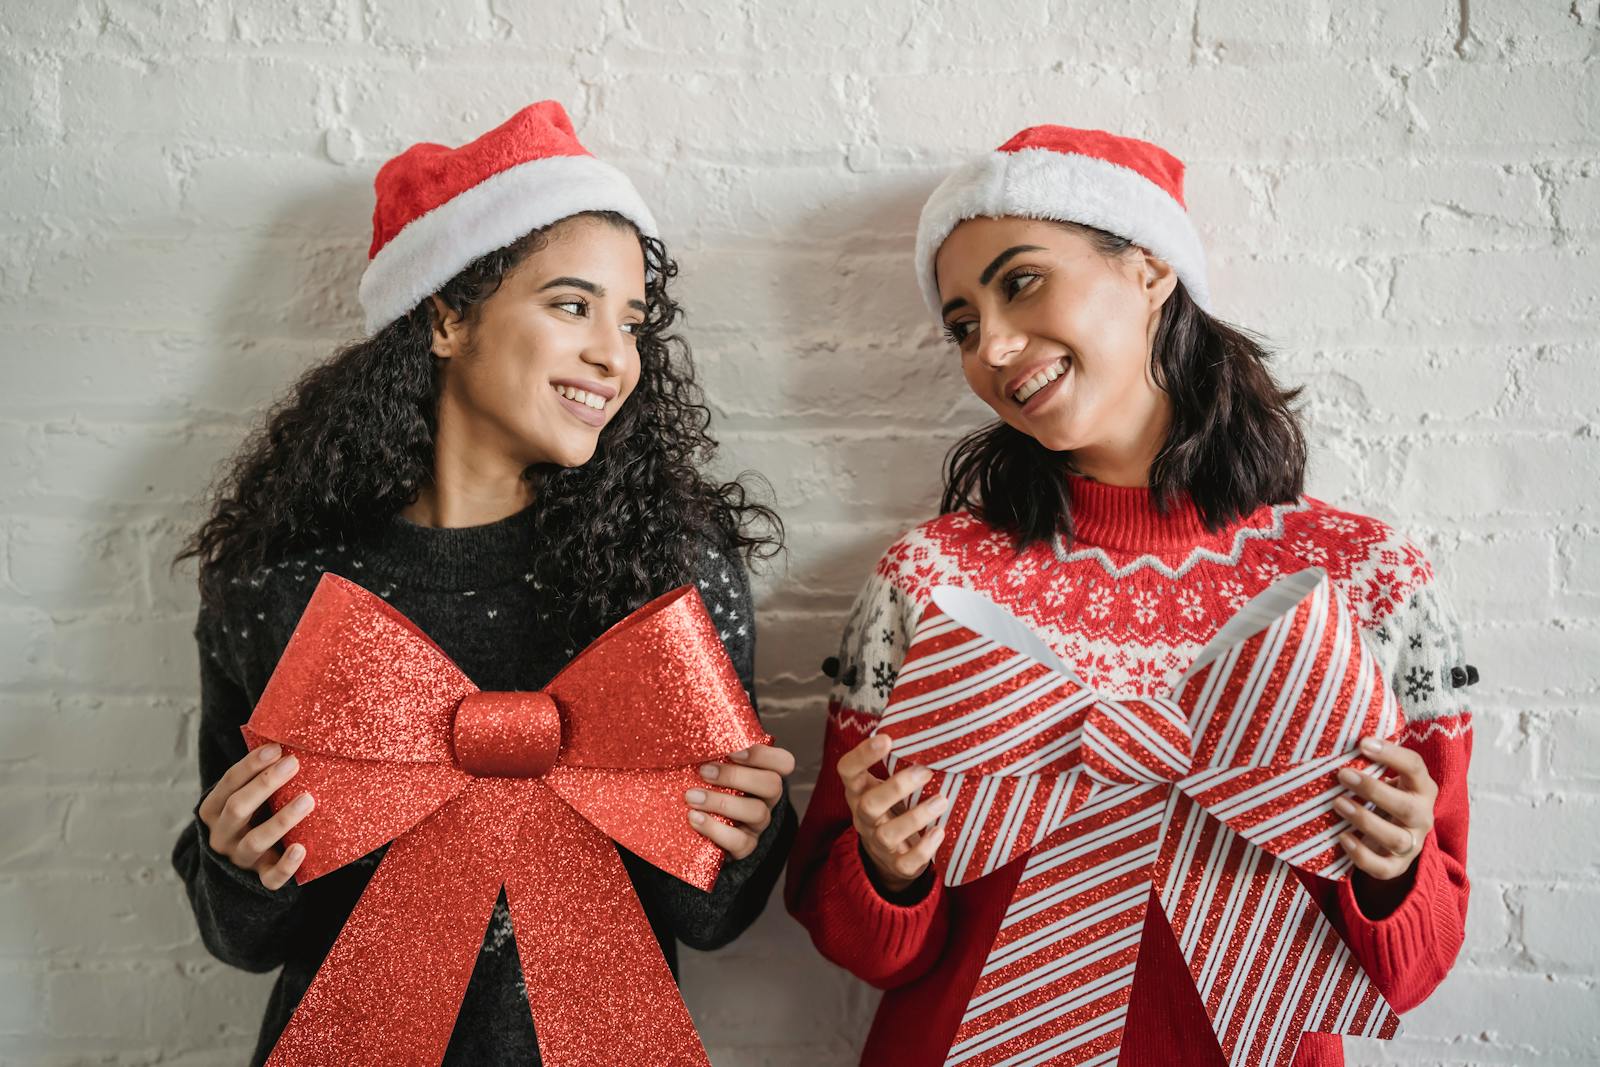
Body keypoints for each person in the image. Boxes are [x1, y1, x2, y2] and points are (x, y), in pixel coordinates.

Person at [785, 124, 1473, 1067]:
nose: (992, 345)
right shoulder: (933, 582)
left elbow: (1417, 967)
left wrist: (1393, 875)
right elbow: (862, 946)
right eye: (961, 324)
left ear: (1150, 268)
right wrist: (888, 870)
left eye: (1020, 282)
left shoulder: (1364, 578)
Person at [172, 100, 797, 1066]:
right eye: (571, 304)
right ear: (448, 316)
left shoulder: (668, 575)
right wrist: (235, 864)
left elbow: (711, 918)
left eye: (632, 321)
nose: (614, 355)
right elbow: (243, 939)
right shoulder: (282, 588)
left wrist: (747, 836)